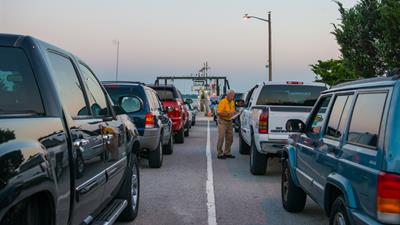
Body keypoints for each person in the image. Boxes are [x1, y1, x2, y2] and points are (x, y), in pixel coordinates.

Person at [216, 90, 236, 159]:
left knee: (230, 138)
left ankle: (227, 152)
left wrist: (235, 113)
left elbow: (232, 111)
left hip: (229, 121)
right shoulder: (222, 102)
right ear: (227, 95)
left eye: (233, 96)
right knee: (221, 137)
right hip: (222, 121)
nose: (232, 97)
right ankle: (220, 153)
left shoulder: (232, 102)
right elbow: (218, 112)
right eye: (231, 96)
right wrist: (227, 114)